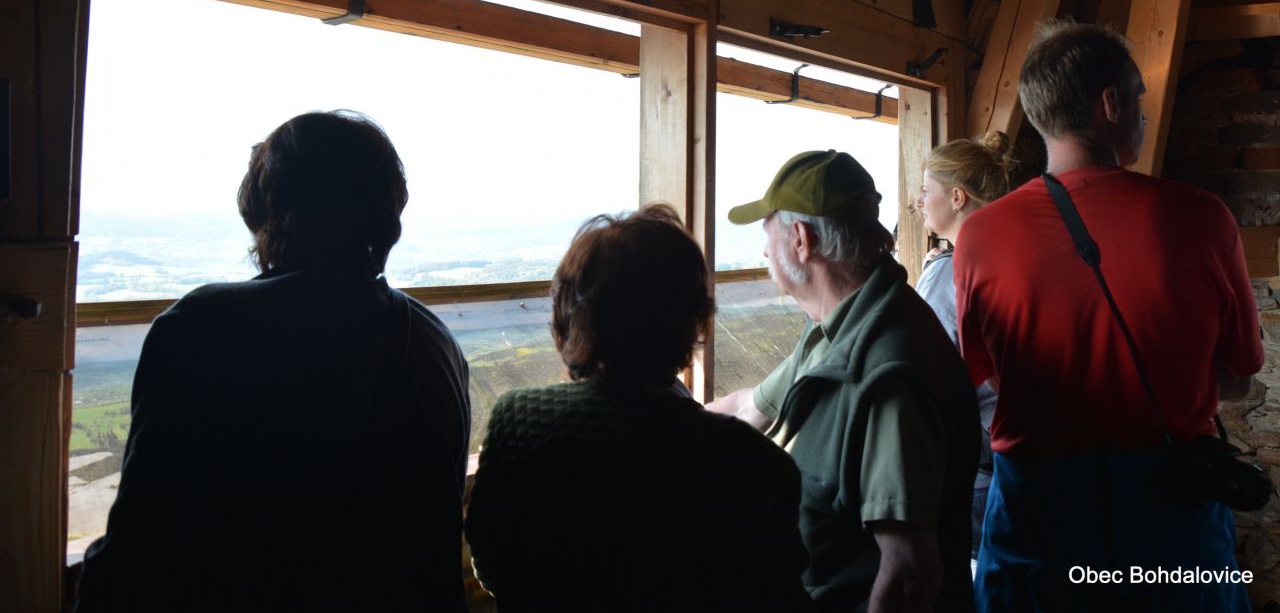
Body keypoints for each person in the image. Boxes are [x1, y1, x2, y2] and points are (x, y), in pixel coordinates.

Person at [77, 111, 471, 612]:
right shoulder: (436, 343)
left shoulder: (203, 327)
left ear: (267, 210)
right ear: (386, 215)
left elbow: (140, 544)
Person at [954, 20, 1263, 612]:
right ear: (1112, 104)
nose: (1142, 115)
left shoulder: (980, 236)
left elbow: (987, 373)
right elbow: (1240, 376)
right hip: (1169, 513)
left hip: (1039, 513)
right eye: (1139, 100)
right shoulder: (1200, 217)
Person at [465, 204, 812, 612]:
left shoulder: (518, 423)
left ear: (568, 315)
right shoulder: (754, 463)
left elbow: (492, 564)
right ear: (694, 322)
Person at [706, 151, 979, 613]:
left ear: (800, 239)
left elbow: (910, 575)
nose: (765, 252)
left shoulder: (890, 374)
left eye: (768, 234)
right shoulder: (837, 328)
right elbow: (747, 409)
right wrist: (654, 426)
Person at [914, 131, 1018, 558]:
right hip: (1024, 445)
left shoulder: (949, 272)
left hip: (978, 458)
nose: (920, 201)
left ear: (956, 197)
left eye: (926, 191)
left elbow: (927, 370)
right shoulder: (1018, 256)